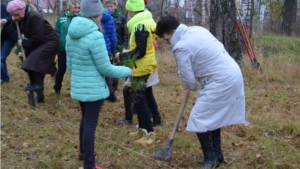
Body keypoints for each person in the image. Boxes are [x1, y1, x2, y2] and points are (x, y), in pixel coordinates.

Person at [155, 15, 246, 168]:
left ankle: (210, 159)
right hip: (232, 73)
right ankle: (217, 155)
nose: (167, 42)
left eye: (167, 38)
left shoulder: (181, 46)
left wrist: (188, 83)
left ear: (174, 31)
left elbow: (190, 82)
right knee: (212, 116)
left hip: (221, 80)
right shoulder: (197, 29)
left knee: (198, 117)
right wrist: (190, 81)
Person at [65, 0, 132, 168]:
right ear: (96, 14)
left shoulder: (71, 32)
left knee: (85, 120)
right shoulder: (95, 36)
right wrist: (128, 71)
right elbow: (106, 69)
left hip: (79, 84)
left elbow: (70, 62)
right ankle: (89, 164)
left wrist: (76, 79)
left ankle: (83, 152)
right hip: (93, 88)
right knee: (89, 124)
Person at [114, 0, 158, 146]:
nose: (127, 13)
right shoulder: (144, 21)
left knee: (139, 100)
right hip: (140, 66)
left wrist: (122, 56)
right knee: (136, 97)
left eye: (128, 10)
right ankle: (142, 128)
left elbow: (140, 51)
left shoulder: (140, 25)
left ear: (131, 11)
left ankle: (149, 133)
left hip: (142, 67)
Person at [7, 0, 59, 103]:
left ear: (23, 10)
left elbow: (37, 38)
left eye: (17, 14)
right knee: (30, 66)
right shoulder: (23, 17)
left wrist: (24, 44)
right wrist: (14, 20)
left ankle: (38, 85)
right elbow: (15, 27)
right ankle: (40, 95)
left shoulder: (34, 17)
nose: (16, 17)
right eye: (13, 15)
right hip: (39, 42)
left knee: (34, 61)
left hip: (50, 42)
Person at [53, 0, 80, 94]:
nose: (77, 10)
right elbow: (56, 32)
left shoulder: (82, 19)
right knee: (61, 69)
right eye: (75, 7)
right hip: (63, 49)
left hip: (76, 50)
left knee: (76, 71)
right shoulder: (61, 19)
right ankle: (57, 87)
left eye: (78, 8)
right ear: (69, 8)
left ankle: (76, 90)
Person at [105, 0, 128, 92]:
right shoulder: (104, 16)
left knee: (116, 65)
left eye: (111, 6)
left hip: (118, 45)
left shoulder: (121, 17)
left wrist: (124, 46)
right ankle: (108, 85)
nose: (109, 8)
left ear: (115, 6)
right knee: (108, 65)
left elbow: (125, 33)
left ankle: (114, 85)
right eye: (108, 6)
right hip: (108, 45)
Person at [99, 2, 118, 102]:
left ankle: (100, 98)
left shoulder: (91, 16)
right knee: (106, 71)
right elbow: (113, 37)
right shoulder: (109, 17)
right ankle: (111, 94)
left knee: (97, 72)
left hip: (96, 47)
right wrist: (112, 51)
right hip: (107, 48)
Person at [1, 3, 18, 85]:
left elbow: (14, 15)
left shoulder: (4, 6)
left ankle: (4, 79)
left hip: (9, 37)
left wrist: (6, 19)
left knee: (1, 58)